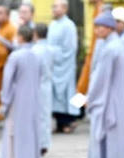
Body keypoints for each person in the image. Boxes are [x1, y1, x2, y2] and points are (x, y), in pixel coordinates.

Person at [86, 10, 124, 158]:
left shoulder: (108, 48)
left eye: (99, 27)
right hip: (119, 97)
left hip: (107, 99)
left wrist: (91, 98)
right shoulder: (118, 45)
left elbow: (100, 78)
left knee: (103, 139)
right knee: (116, 141)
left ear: (108, 28)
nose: (96, 31)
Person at [0, 25, 42, 158]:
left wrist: (5, 100)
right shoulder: (36, 55)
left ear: (21, 37)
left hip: (17, 99)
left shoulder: (15, 56)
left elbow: (8, 80)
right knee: (30, 130)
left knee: (14, 130)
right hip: (33, 98)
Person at [48, 0, 78, 133]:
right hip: (53, 64)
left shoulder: (69, 26)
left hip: (64, 64)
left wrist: (53, 52)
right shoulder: (53, 24)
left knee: (66, 93)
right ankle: (59, 123)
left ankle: (68, 122)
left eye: (56, 7)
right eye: (53, 7)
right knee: (54, 94)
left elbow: (70, 48)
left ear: (65, 9)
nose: (54, 9)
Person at [0, 5, 18, 120]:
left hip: (5, 68)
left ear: (7, 15)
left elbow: (14, 49)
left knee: (5, 94)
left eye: (0, 13)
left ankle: (5, 115)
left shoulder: (11, 29)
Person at [32, 22, 54, 153]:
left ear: (35, 34)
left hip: (38, 85)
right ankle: (45, 142)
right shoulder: (51, 49)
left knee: (39, 115)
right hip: (47, 84)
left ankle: (40, 143)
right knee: (46, 115)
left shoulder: (35, 50)